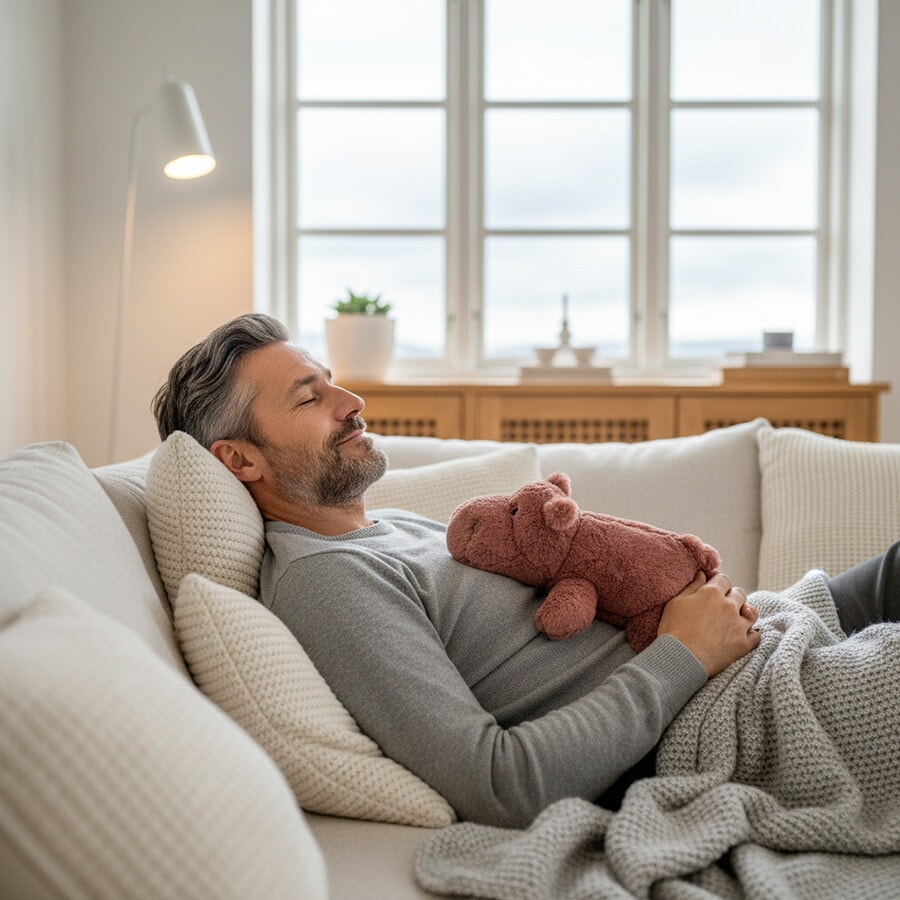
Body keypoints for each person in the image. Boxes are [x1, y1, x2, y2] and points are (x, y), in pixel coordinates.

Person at [152, 313, 900, 829]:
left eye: (334, 381)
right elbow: (499, 783)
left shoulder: (392, 530)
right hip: (731, 713)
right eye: (311, 398)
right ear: (239, 459)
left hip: (766, 636)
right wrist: (684, 654)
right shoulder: (324, 582)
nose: (353, 404)